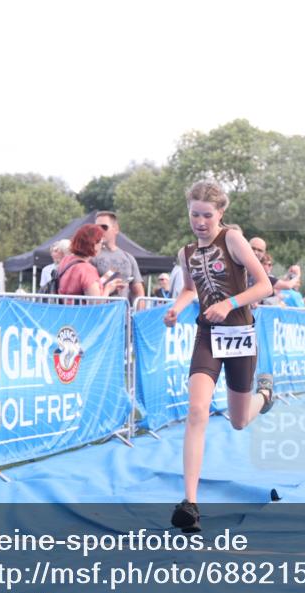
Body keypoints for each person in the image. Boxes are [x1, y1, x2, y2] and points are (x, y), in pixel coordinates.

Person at [163, 180, 276, 533]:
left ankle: (265, 396)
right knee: (197, 410)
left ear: (220, 212)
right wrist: (176, 308)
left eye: (207, 215)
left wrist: (229, 304)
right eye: (194, 214)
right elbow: (189, 289)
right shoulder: (185, 253)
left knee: (238, 420)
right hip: (208, 336)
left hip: (239, 334)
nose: (200, 222)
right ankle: (190, 504)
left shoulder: (232, 239)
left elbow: (265, 285)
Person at [58, 224, 122, 299]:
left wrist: (98, 283)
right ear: (93, 244)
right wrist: (108, 289)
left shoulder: (66, 260)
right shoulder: (87, 269)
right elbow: (97, 302)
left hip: (63, 305)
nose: (102, 246)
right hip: (81, 306)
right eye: (101, 242)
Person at [92, 211, 145, 302]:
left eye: (104, 227)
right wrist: (108, 284)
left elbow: (138, 292)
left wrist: (139, 311)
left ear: (116, 229)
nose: (100, 231)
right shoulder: (91, 256)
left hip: (122, 309)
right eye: (96, 228)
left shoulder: (128, 258)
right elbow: (88, 287)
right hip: (101, 308)